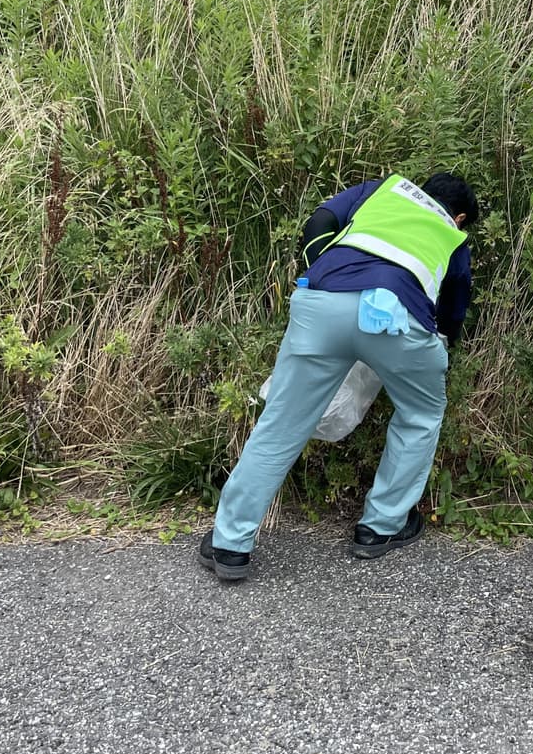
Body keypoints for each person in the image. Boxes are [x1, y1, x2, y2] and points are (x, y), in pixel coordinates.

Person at [198, 172, 478, 580]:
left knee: (281, 423)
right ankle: (380, 528)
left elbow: (318, 223)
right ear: (461, 216)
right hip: (398, 322)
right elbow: (451, 317)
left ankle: (230, 544)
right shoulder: (453, 237)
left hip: (322, 304)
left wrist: (330, 275)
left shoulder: (386, 189)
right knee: (420, 415)